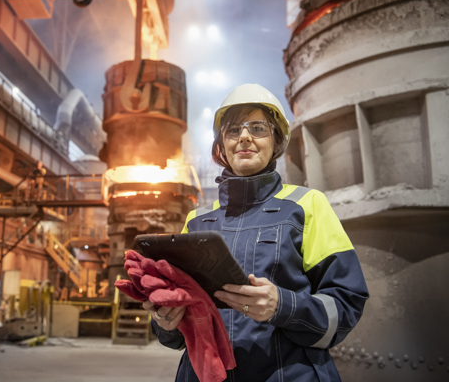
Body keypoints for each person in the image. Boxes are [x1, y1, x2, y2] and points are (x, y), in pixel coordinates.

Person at [143, 84, 369, 381]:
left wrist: (283, 306)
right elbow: (178, 332)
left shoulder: (306, 206)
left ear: (276, 141)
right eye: (233, 130)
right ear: (221, 146)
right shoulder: (196, 221)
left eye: (258, 128)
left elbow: (346, 304)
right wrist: (165, 319)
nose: (244, 137)